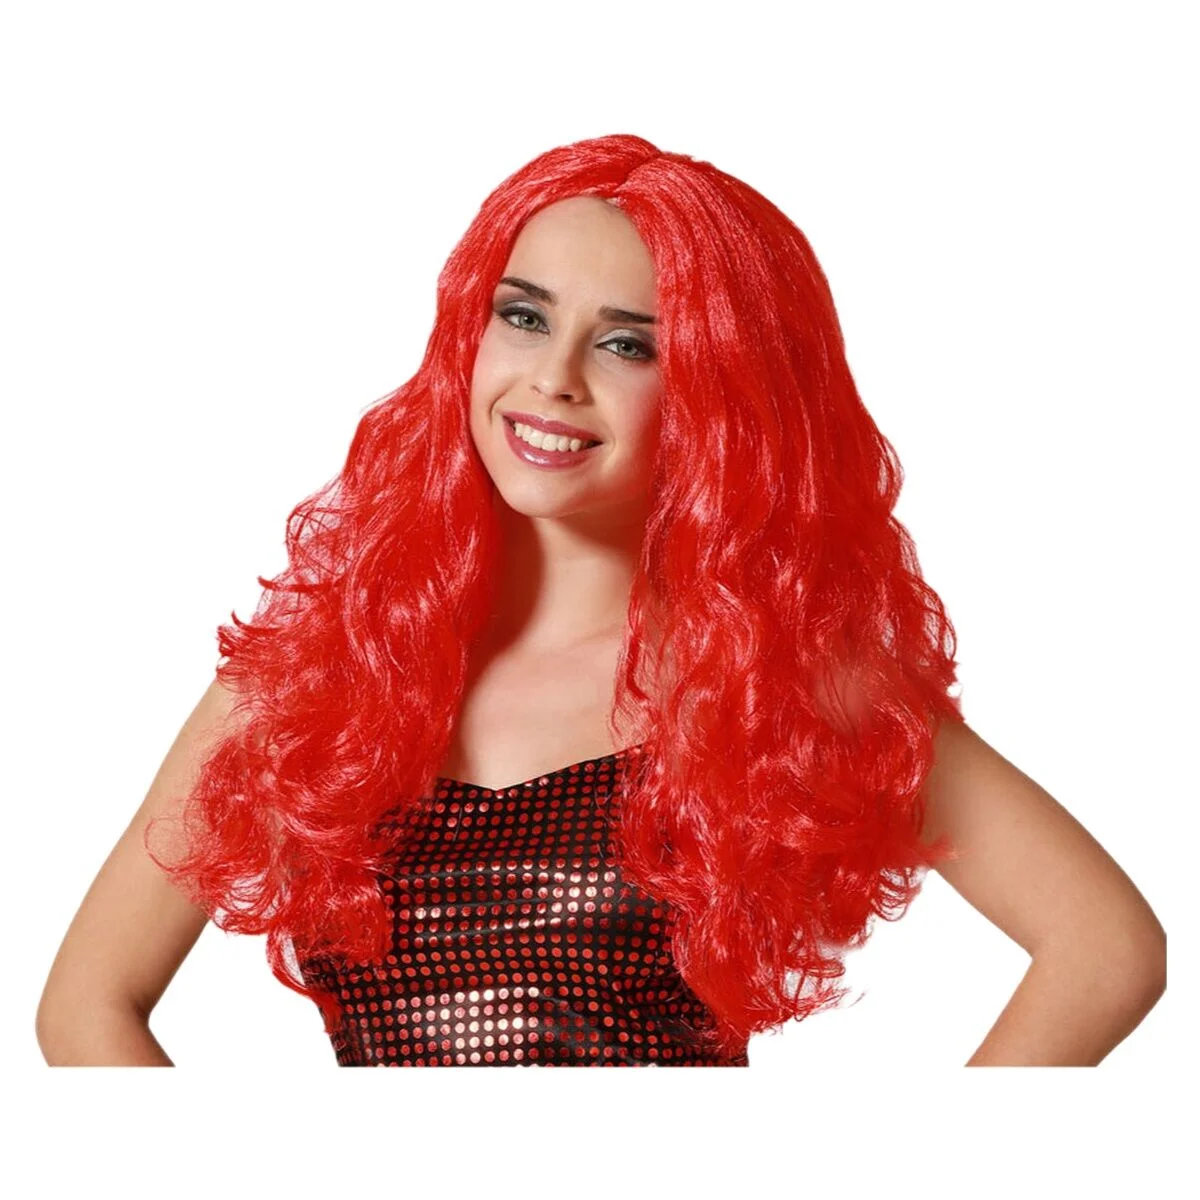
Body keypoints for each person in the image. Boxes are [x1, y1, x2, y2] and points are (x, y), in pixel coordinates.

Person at [36, 133, 1166, 1067]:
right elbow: (86, 1007)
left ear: (722, 396)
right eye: (523, 316)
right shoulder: (313, 676)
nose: (554, 377)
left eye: (628, 345)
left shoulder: (775, 687)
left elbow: (1105, 950)